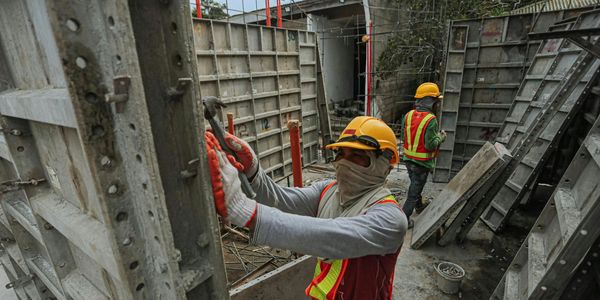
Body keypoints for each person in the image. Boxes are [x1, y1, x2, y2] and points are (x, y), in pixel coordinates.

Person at [205, 116, 408, 300]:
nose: (345, 162)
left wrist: (245, 211)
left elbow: (333, 238)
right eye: (340, 154)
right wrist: (252, 171)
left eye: (357, 155)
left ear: (384, 164)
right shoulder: (328, 191)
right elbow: (281, 200)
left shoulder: (390, 219)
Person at [401, 82, 447, 228]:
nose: (437, 104)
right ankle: (403, 220)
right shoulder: (431, 120)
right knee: (413, 192)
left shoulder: (408, 116)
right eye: (436, 101)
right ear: (429, 101)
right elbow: (430, 144)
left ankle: (419, 206)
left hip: (408, 159)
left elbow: (403, 136)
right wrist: (441, 137)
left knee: (415, 186)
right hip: (421, 163)